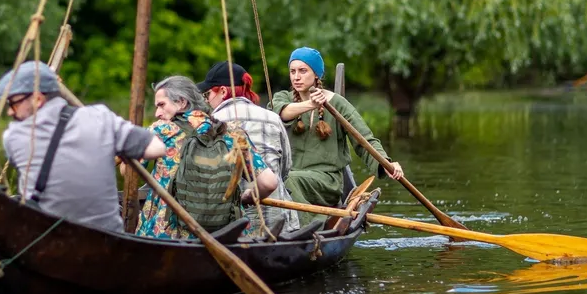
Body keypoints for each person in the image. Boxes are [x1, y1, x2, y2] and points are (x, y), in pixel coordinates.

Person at [0, 60, 166, 233]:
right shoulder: (100, 118)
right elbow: (157, 148)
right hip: (109, 243)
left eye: (14, 103)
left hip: (48, 244)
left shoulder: (13, 137)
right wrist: (121, 148)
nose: (10, 111)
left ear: (37, 99)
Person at [137, 75, 279, 240]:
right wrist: (246, 197)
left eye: (162, 105)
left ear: (182, 102)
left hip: (169, 235)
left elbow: (130, 172)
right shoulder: (231, 132)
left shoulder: (162, 131)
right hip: (227, 237)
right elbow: (269, 182)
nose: (157, 113)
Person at [271, 47, 403, 221]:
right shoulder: (283, 98)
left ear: (316, 74)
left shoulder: (338, 104)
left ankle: (312, 225)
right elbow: (281, 113)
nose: (296, 77)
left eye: (303, 71)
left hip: (327, 182)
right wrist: (311, 104)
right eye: (292, 71)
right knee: (270, 180)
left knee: (285, 180)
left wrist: (387, 163)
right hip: (292, 176)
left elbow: (364, 140)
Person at [197, 60, 300, 234]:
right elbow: (285, 169)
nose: (207, 100)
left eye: (207, 95)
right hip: (280, 221)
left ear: (223, 91)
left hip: (233, 226)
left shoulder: (211, 124)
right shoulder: (272, 117)